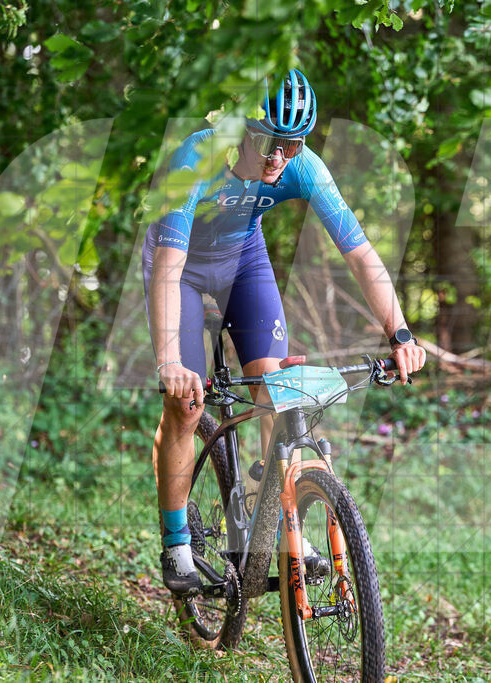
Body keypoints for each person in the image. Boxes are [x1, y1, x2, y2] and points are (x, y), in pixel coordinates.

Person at [144, 69, 426, 593]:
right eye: (268, 141)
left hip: (243, 259)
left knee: (277, 390)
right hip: (179, 265)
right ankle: (177, 541)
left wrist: (401, 333)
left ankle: (269, 518)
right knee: (185, 405)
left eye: (291, 144)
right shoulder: (197, 158)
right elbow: (167, 268)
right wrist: (170, 362)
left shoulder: (305, 168)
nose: (278, 157)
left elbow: (361, 254)